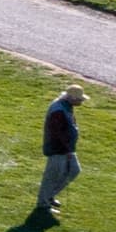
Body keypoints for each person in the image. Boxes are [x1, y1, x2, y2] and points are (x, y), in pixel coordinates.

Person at [37, 86, 86, 221]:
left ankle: (50, 195)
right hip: (58, 149)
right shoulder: (58, 111)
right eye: (80, 99)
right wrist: (68, 150)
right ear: (72, 98)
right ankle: (43, 204)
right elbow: (58, 134)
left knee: (74, 170)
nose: (81, 102)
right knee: (51, 176)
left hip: (66, 148)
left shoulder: (66, 106)